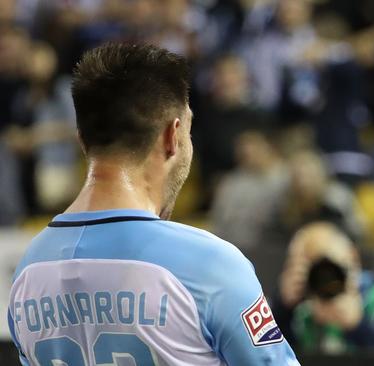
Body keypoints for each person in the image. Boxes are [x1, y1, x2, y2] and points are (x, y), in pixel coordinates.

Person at [7, 43, 300, 366]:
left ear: (81, 140)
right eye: (189, 129)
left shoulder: (28, 270)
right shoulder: (210, 265)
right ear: (173, 136)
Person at [273, 221, 374, 354]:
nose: (322, 279)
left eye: (327, 267)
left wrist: (358, 326)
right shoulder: (298, 310)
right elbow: (270, 356)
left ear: (352, 256)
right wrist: (283, 309)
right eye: (309, 269)